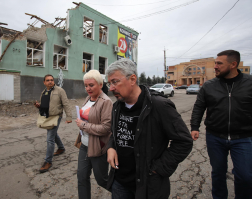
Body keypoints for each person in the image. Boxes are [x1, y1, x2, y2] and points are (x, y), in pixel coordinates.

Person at [105, 58, 193, 198]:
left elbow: (184, 141)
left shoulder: (159, 106)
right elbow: (115, 133)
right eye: (109, 83)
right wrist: (111, 147)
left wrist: (158, 169)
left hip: (148, 184)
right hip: (120, 182)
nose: (111, 88)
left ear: (132, 79)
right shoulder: (117, 107)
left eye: (115, 82)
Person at [190, 50, 252, 199]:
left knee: (245, 176)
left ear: (233, 64)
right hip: (215, 137)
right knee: (218, 173)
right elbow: (199, 107)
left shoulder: (249, 83)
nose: (215, 66)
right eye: (215, 63)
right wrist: (194, 127)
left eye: (219, 63)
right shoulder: (209, 85)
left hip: (243, 137)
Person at [74, 70, 113, 199]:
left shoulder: (106, 102)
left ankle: (125, 194)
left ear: (100, 84)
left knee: (102, 180)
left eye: (91, 85)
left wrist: (83, 125)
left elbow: (106, 128)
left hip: (98, 147)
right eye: (86, 85)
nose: (88, 89)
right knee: (82, 177)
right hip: (84, 146)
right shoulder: (88, 98)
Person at [34, 74, 72, 173]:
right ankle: (61, 148)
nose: (50, 81)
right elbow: (45, 105)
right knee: (53, 134)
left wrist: (69, 117)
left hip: (56, 116)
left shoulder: (60, 91)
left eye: (51, 80)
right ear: (44, 82)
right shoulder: (44, 92)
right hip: (47, 116)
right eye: (48, 80)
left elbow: (66, 103)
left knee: (50, 138)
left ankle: (48, 161)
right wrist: (39, 106)